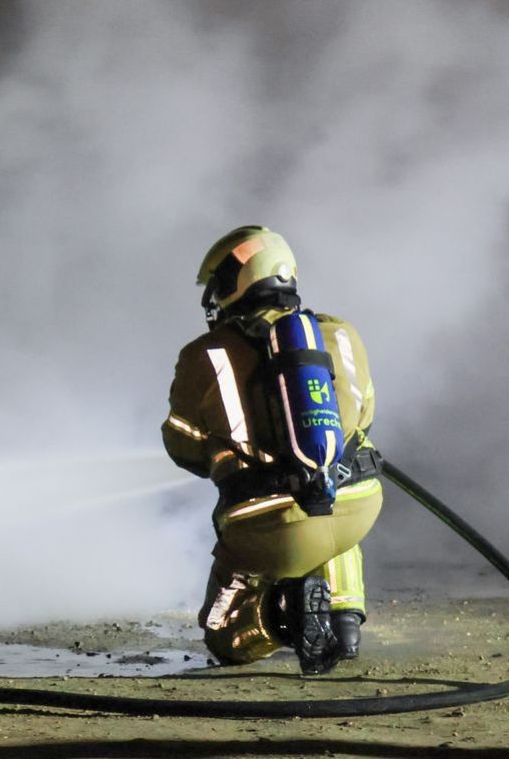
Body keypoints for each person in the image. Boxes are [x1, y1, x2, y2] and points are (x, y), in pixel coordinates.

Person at [160, 226, 383, 675]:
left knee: (223, 632)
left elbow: (183, 445)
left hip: (265, 522)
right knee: (332, 523)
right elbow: (365, 416)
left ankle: (284, 613)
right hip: (357, 503)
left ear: (234, 282)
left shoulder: (205, 354)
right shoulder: (341, 334)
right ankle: (342, 622)